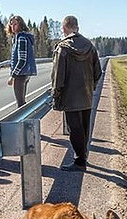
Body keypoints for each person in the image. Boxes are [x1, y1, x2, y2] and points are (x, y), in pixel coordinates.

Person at [51, 15, 102, 172]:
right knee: (84, 127)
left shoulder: (63, 48)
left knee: (74, 129)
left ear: (65, 28)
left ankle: (79, 161)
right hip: (86, 95)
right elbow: (98, 72)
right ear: (77, 27)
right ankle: (82, 157)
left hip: (70, 96)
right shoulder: (89, 46)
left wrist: (56, 93)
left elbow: (58, 76)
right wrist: (90, 87)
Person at [6, 15, 37, 107]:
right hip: (24, 73)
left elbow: (22, 60)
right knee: (22, 102)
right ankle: (24, 119)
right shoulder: (20, 37)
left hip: (20, 74)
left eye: (15, 24)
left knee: (20, 103)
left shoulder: (21, 38)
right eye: (11, 24)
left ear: (21, 25)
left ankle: (23, 120)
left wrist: (13, 76)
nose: (13, 26)